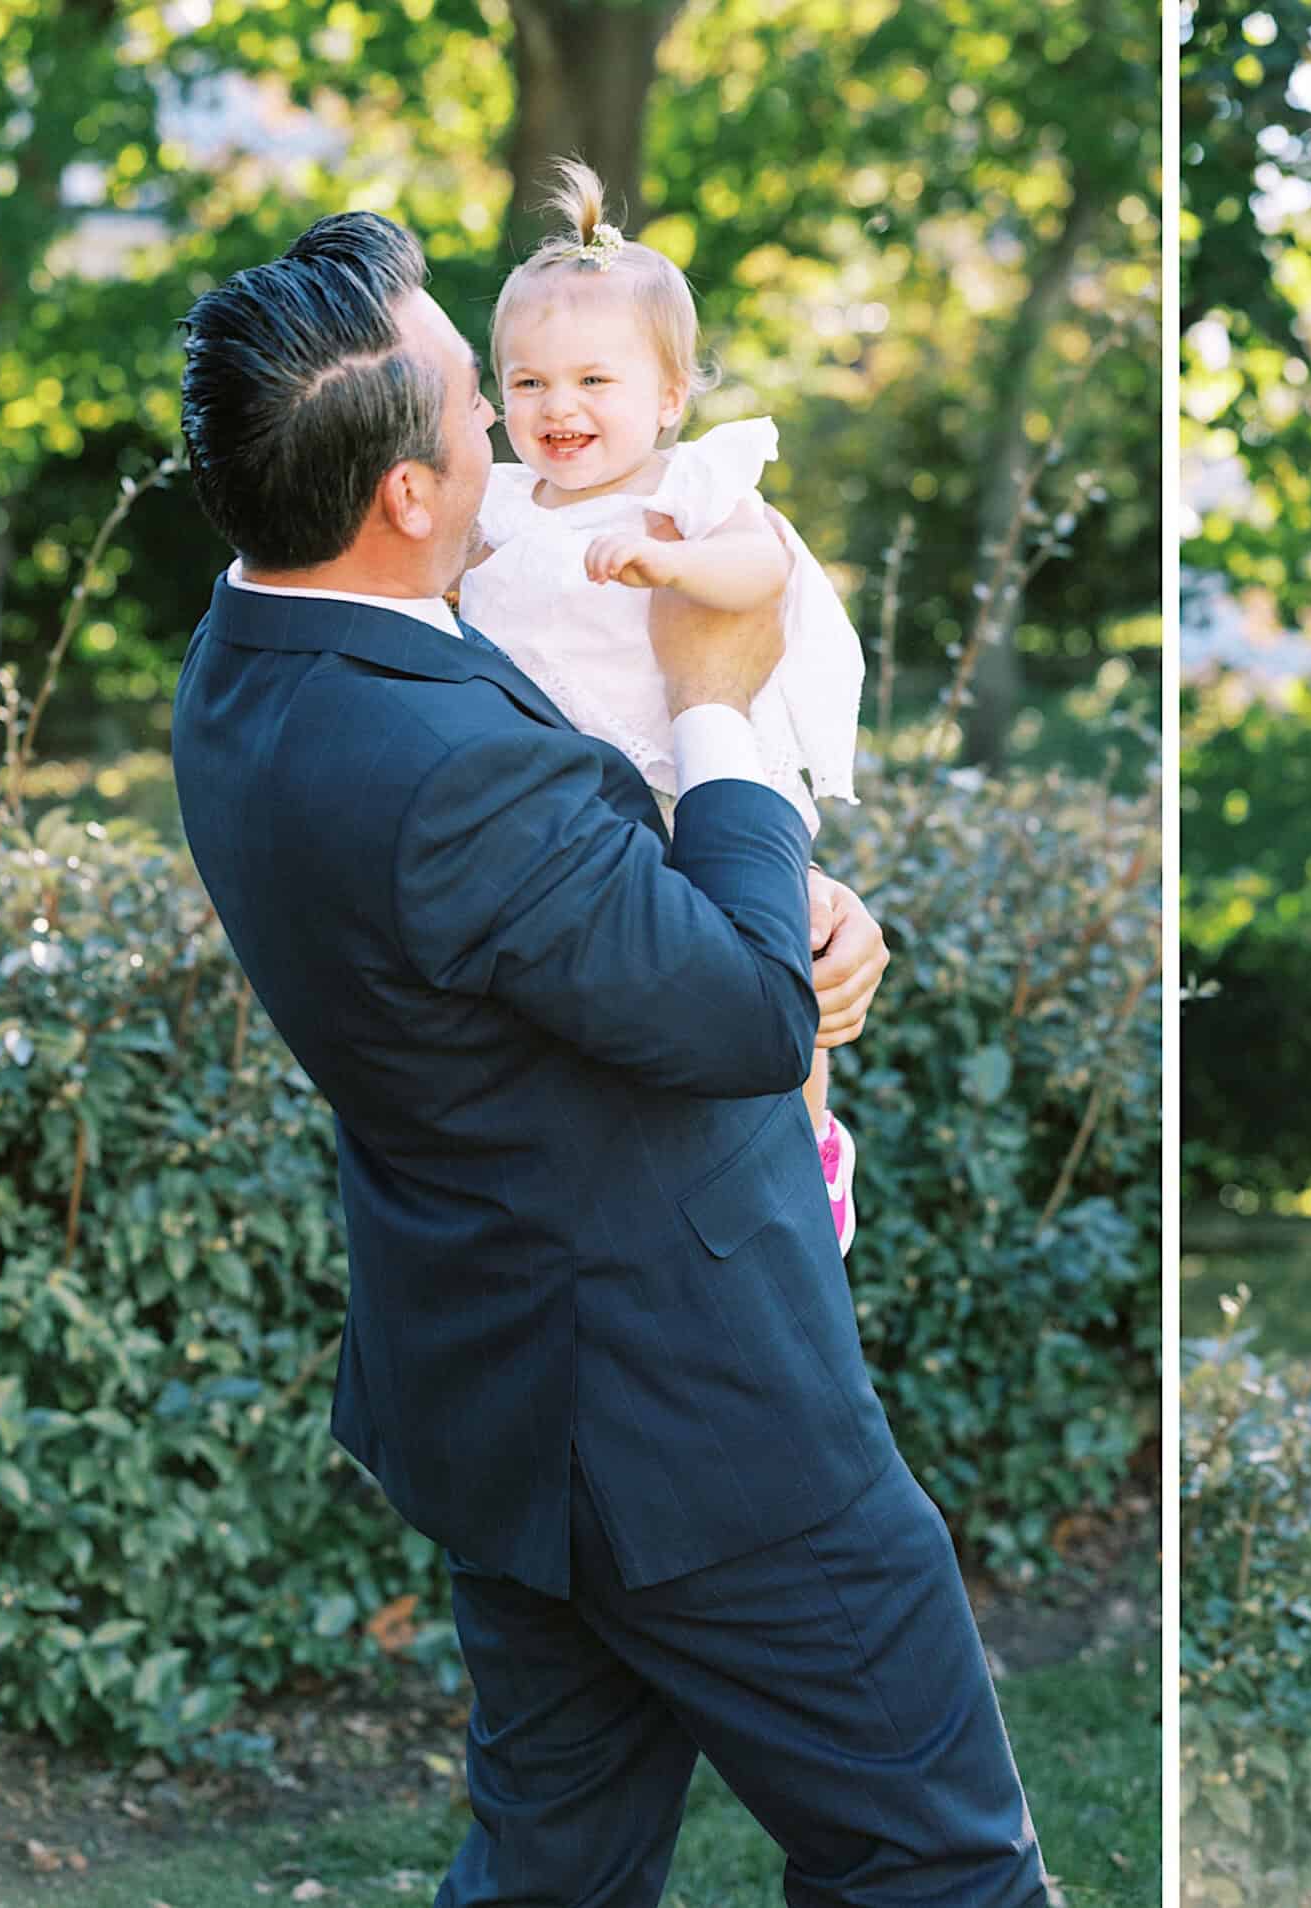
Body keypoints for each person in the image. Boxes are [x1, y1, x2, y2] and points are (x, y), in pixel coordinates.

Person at [171, 210, 1051, 1908]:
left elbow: (563, 917)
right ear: (407, 495)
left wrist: (772, 875)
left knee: (552, 1868)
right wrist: (723, 716)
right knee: (939, 1862)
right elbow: (740, 1019)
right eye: (469, 402)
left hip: (500, 1382)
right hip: (692, 1407)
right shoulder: (431, 758)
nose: (506, 426)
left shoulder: (263, 648)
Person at [464, 160, 867, 1252]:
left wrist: (668, 566)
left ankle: (810, 1149)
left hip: (694, 771)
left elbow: (761, 581)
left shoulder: (690, 489)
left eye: (596, 382)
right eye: (530, 383)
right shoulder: (498, 506)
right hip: (576, 802)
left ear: (670, 397)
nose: (560, 408)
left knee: (771, 964)